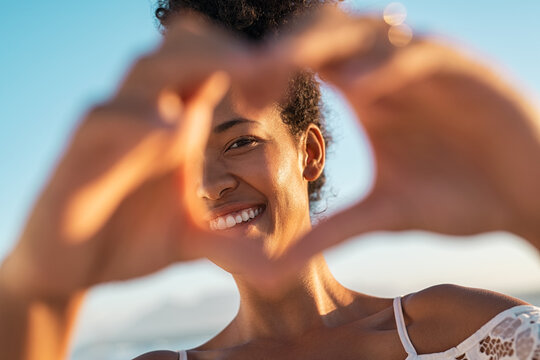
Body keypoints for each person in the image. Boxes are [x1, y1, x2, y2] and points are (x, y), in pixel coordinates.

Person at [0, 1, 539, 360]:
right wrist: (36, 295)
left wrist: (528, 193)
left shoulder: (456, 331)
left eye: (240, 143)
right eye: (186, 162)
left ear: (307, 153)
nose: (209, 185)